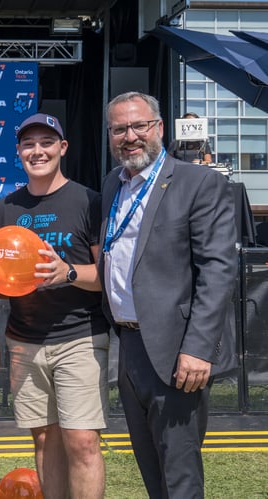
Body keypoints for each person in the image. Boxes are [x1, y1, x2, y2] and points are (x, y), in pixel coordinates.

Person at [101, 92, 237, 498]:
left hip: (178, 351)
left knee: (179, 475)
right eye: (120, 128)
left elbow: (217, 271)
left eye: (138, 125)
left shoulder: (200, 182)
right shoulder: (113, 184)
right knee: (151, 468)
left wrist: (199, 349)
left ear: (158, 128)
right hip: (129, 346)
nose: (130, 136)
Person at [0, 113, 109, 498]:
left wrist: (68, 273)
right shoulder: (6, 207)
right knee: (44, 439)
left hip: (79, 337)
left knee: (83, 441)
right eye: (28, 144)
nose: (37, 151)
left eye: (46, 142)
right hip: (24, 341)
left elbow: (108, 277)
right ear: (19, 151)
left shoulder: (88, 201)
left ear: (62, 148)